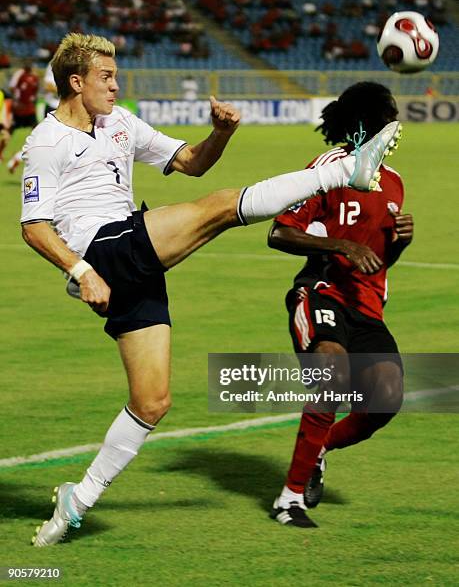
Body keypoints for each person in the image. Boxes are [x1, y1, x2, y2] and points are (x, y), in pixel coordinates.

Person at [21, 35, 400, 547]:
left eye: (115, 75)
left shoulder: (121, 124)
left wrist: (219, 134)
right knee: (221, 208)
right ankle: (341, 170)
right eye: (106, 77)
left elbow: (192, 162)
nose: (116, 84)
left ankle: (78, 499)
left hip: (135, 262)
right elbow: (35, 226)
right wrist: (81, 271)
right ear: (75, 82)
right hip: (102, 248)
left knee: (152, 402)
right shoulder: (46, 141)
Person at [268, 82, 413, 528]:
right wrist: (341, 245)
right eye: (389, 118)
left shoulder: (393, 184)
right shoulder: (329, 167)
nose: (395, 128)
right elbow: (279, 232)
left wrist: (400, 244)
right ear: (366, 124)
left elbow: (377, 260)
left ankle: (320, 449)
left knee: (386, 398)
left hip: (367, 306)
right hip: (322, 291)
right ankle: (288, 500)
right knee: (332, 373)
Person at [6, 63, 39, 173]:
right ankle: (17, 157)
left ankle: (17, 157)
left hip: (25, 108)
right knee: (38, 136)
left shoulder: (31, 77)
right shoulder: (23, 75)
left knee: (38, 136)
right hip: (24, 109)